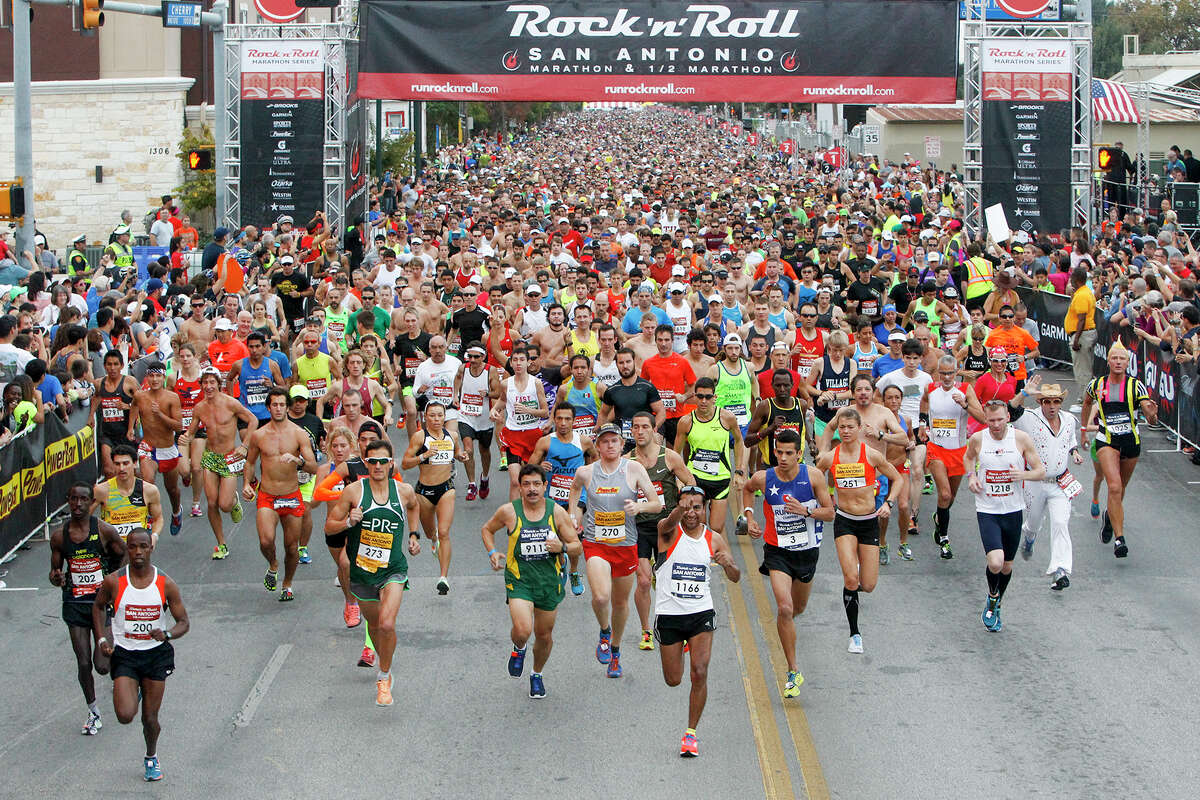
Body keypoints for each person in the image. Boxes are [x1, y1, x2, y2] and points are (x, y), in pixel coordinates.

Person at [324, 439, 421, 706]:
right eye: (373, 461)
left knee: (388, 623)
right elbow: (329, 527)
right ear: (365, 463)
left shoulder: (403, 491)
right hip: (362, 572)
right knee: (377, 626)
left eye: (383, 461)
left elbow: (414, 507)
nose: (378, 466)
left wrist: (414, 535)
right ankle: (385, 663)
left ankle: (384, 675)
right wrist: (347, 521)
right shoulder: (354, 492)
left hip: (393, 569)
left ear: (392, 464)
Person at [741, 430, 835, 697]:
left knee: (797, 608)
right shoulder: (764, 478)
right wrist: (749, 517)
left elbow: (830, 513)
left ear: (799, 453)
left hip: (806, 552)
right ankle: (793, 671)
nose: (782, 458)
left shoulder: (813, 476)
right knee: (784, 607)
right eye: (778, 452)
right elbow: (747, 490)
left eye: (788, 453)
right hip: (777, 550)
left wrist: (806, 511)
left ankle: (786, 627)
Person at [92, 528, 189, 782]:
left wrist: (166, 634)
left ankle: (151, 756)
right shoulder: (114, 581)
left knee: (149, 718)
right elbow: (98, 607)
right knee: (125, 716)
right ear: (127, 548)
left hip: (155, 655)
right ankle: (131, 687)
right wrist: (102, 638)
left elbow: (183, 622)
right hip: (125, 654)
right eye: (133, 547)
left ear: (151, 549)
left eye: (143, 547)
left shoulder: (165, 583)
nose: (137, 552)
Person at [568, 423, 663, 679]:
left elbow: (656, 504)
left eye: (614, 441)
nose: (610, 445)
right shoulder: (586, 472)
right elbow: (575, 488)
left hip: (625, 545)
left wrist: (639, 508)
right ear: (597, 446)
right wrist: (573, 513)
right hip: (596, 543)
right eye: (605, 441)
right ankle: (604, 631)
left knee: (620, 602)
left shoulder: (633, 469)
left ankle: (616, 649)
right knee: (601, 597)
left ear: (622, 445)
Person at [652, 484, 741, 757]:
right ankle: (682, 646)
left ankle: (690, 734)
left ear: (705, 510)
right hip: (669, 615)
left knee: (699, 672)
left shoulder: (713, 539)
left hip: (701, 613)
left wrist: (728, 565)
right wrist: (680, 508)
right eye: (687, 507)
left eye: (697, 507)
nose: (691, 513)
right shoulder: (667, 532)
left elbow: (736, 577)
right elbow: (668, 522)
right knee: (674, 680)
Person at [480, 464, 582, 699]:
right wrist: (492, 552)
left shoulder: (556, 512)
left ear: (545, 487)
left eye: (537, 484)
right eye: (526, 484)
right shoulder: (509, 511)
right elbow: (487, 529)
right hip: (519, 580)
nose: (532, 489)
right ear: (520, 487)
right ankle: (519, 647)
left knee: (544, 636)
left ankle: (536, 673)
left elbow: (577, 547)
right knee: (524, 630)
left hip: (549, 582)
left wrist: (562, 547)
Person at [814, 410, 900, 654]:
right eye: (842, 427)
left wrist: (889, 503)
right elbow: (814, 478)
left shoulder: (871, 455)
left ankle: (859, 571)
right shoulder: (831, 457)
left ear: (860, 428)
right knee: (851, 579)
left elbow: (898, 480)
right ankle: (855, 634)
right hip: (845, 521)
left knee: (868, 585)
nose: (846, 431)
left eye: (851, 427)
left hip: (869, 521)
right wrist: (826, 497)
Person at [50, 483, 127, 736]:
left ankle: (127, 677)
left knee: (102, 666)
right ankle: (93, 712)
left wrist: (113, 580)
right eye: (74, 499)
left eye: (84, 499)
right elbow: (54, 570)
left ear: (91, 501)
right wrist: (57, 577)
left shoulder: (104, 531)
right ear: (68, 501)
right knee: (83, 663)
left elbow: (123, 555)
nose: (79, 504)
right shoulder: (60, 536)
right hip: (75, 604)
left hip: (101, 604)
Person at [963, 401, 1046, 631]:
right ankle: (991, 597)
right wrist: (971, 476)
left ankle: (997, 601)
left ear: (1008, 417)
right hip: (987, 509)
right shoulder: (978, 439)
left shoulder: (1021, 439)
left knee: (1007, 566)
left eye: (1000, 419)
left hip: (1013, 509)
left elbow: (1040, 471)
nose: (996, 425)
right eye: (991, 420)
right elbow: (968, 457)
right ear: (986, 420)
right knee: (995, 561)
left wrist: (1023, 474)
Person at [1079, 341, 1157, 559]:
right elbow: (1086, 403)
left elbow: (1148, 414)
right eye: (1115, 358)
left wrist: (1152, 416)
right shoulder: (1097, 384)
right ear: (1109, 361)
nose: (1118, 362)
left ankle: (1109, 516)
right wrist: (1084, 430)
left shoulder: (1136, 386)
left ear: (1127, 362)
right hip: (1107, 440)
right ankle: (1120, 538)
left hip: (1131, 441)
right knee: (1113, 487)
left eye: (1122, 359)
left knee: (1120, 489)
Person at [242, 388, 319, 601]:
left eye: (282, 405)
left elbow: (313, 466)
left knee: (292, 547)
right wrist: (246, 483)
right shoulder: (259, 435)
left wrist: (298, 461)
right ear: (268, 407)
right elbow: (249, 462)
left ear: (287, 407)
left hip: (291, 495)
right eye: (274, 405)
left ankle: (287, 583)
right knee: (266, 541)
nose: (278, 408)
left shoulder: (298, 434)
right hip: (267, 495)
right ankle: (273, 564)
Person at [629, 410, 694, 651]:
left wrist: (685, 507)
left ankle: (680, 629)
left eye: (645, 426)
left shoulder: (670, 457)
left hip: (666, 527)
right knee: (644, 580)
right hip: (639, 528)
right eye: (636, 427)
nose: (640, 431)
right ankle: (646, 631)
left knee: (673, 580)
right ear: (632, 431)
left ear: (654, 430)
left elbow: (690, 484)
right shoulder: (628, 462)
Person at [1012, 380, 1083, 590]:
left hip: (1060, 481)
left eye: (1056, 402)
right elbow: (1010, 411)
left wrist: (1074, 452)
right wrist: (1024, 393)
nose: (1052, 406)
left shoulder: (1069, 419)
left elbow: (1069, 440)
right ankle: (1030, 536)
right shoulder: (1030, 417)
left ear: (1061, 402)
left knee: (1061, 523)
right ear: (1041, 402)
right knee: (1034, 521)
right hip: (1035, 481)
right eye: (1047, 402)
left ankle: (1060, 570)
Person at [182, 367, 258, 558]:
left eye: (212, 382)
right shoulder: (199, 408)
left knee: (224, 504)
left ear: (218, 383)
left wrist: (245, 446)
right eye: (205, 383)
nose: (208, 386)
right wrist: (186, 438)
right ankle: (221, 544)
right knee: (212, 503)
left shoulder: (230, 403)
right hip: (210, 457)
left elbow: (253, 420)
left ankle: (233, 502)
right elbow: (191, 431)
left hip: (230, 457)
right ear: (201, 385)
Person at [527, 403, 597, 596]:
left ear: (574, 421)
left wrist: (587, 474)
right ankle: (558, 566)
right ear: (554, 420)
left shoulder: (584, 441)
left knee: (573, 533)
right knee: (553, 537)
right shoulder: (545, 442)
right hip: (551, 497)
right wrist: (541, 466)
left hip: (576, 497)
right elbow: (529, 469)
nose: (563, 423)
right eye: (559, 419)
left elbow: (595, 461)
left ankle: (574, 572)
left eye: (567, 419)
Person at [919, 355, 985, 560]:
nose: (946, 377)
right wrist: (922, 424)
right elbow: (923, 403)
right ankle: (944, 539)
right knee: (945, 495)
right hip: (936, 448)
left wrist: (965, 405)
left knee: (950, 498)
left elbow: (982, 417)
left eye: (950, 373)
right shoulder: (930, 389)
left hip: (958, 451)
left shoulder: (965, 390)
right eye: (943, 373)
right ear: (938, 373)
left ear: (957, 372)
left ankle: (939, 517)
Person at [400, 401, 466, 594]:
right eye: (432, 415)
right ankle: (433, 538)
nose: (436, 419)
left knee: (445, 532)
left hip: (446, 488)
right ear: (425, 417)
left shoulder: (452, 435)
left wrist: (462, 457)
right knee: (432, 534)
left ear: (444, 416)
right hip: (424, 492)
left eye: (440, 415)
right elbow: (405, 464)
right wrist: (424, 456)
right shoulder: (420, 437)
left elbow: (457, 452)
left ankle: (443, 577)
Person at [674, 376, 746, 537]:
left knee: (716, 527)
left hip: (720, 479)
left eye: (708, 397)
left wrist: (739, 471)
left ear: (715, 398)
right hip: (695, 478)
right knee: (698, 523)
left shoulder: (727, 418)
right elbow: (676, 453)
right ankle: (703, 558)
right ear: (694, 397)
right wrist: (679, 478)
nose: (703, 401)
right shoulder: (686, 422)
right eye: (700, 396)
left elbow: (739, 442)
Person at [131, 362, 185, 537]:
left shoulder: (171, 398)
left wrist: (160, 414)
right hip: (148, 447)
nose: (154, 380)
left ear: (163, 377)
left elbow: (178, 426)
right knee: (148, 482)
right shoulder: (140, 396)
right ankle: (150, 519)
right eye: (151, 376)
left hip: (167, 449)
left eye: (158, 376)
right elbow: (133, 406)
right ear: (147, 376)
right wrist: (130, 427)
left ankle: (176, 511)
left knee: (172, 489)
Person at [492, 347, 549, 497]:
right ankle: (514, 517)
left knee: (532, 480)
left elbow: (545, 412)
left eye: (522, 360)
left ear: (528, 362)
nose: (518, 363)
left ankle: (533, 511)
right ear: (510, 363)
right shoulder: (506, 384)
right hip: (513, 435)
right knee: (516, 481)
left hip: (533, 435)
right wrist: (494, 411)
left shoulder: (536, 383)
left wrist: (528, 410)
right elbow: (502, 400)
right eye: (515, 360)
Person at [93, 445, 164, 544]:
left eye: (125, 463)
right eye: (117, 464)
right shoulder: (102, 490)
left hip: (138, 547)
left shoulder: (149, 490)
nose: (121, 468)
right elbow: (85, 518)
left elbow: (158, 518)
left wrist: (154, 537)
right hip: (112, 548)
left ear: (135, 464)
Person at [454, 343, 499, 501]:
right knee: (468, 449)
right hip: (466, 416)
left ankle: (484, 478)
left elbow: (498, 392)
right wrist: (455, 396)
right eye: (470, 356)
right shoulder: (463, 368)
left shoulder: (490, 371)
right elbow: (458, 379)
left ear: (483, 357)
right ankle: (472, 483)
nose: (472, 360)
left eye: (476, 357)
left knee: (484, 450)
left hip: (484, 418)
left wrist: (487, 393)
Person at [639, 323, 697, 444]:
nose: (663, 344)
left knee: (673, 453)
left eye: (666, 340)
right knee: (655, 445)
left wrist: (685, 397)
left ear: (672, 341)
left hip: (676, 414)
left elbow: (693, 385)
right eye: (660, 340)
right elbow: (642, 387)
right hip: (656, 414)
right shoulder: (648, 363)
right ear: (655, 341)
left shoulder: (682, 362)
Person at [599, 346, 664, 450]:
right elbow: (603, 413)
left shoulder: (647, 387)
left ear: (634, 362)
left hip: (644, 436)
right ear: (616, 365)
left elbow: (661, 412)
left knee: (656, 438)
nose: (625, 366)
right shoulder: (612, 390)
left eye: (628, 362)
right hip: (622, 439)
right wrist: (601, 432)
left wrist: (652, 429)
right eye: (621, 363)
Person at [90, 350, 141, 478]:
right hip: (107, 433)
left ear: (122, 365)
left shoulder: (130, 382)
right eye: (109, 364)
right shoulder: (99, 383)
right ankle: (113, 497)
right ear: (104, 366)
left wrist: (127, 406)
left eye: (115, 364)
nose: (112, 368)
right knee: (108, 470)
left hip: (126, 433)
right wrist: (91, 415)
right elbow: (96, 397)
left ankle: (132, 494)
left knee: (130, 471)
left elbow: (142, 402)